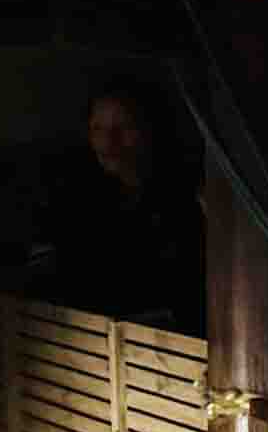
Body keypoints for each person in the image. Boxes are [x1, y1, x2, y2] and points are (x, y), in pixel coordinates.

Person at [43, 80, 204, 330]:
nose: (109, 142)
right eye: (98, 129)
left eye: (124, 127)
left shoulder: (188, 197)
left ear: (152, 129)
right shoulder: (78, 200)